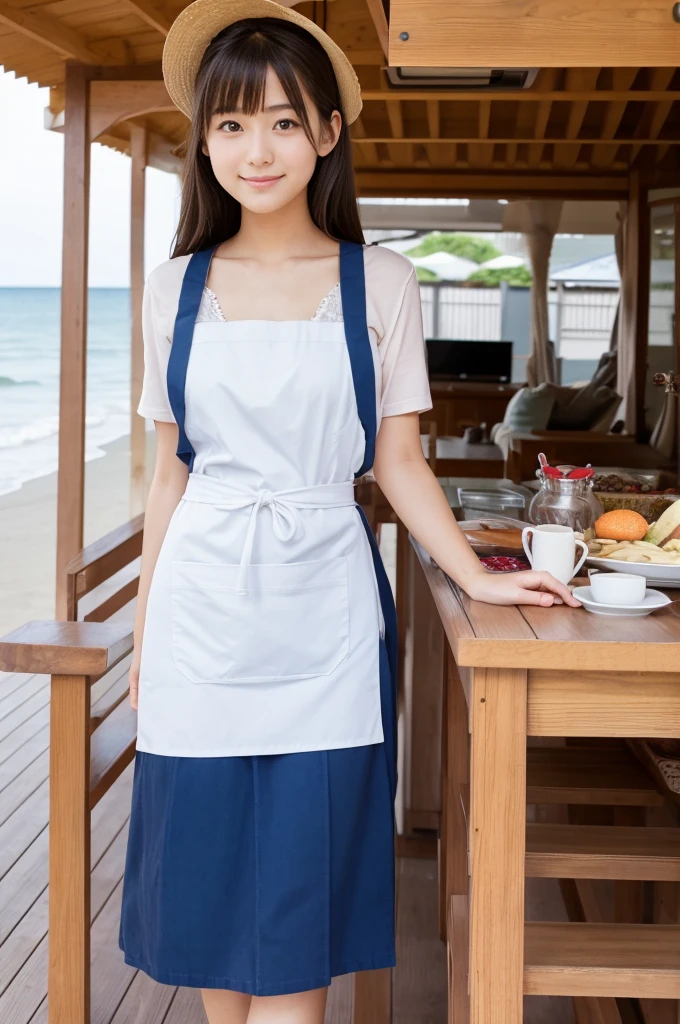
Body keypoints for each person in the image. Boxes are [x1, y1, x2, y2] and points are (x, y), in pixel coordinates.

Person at [117, 1, 580, 1021]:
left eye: (284, 121)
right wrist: (144, 634)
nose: (256, 148)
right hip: (200, 614)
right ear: (204, 139)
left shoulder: (381, 281)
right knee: (206, 925)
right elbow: (167, 477)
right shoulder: (170, 291)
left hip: (324, 606)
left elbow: (399, 463)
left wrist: (482, 572)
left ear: (328, 133)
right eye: (231, 124)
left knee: (298, 916)